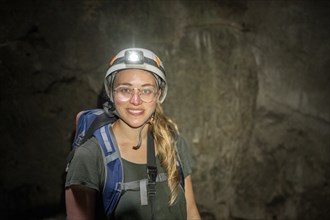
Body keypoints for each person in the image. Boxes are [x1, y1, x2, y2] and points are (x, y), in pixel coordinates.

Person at [65, 48, 201, 220]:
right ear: (111, 93)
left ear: (158, 95)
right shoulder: (89, 156)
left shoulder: (173, 142)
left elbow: (191, 213)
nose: (135, 101)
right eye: (125, 90)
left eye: (146, 91)